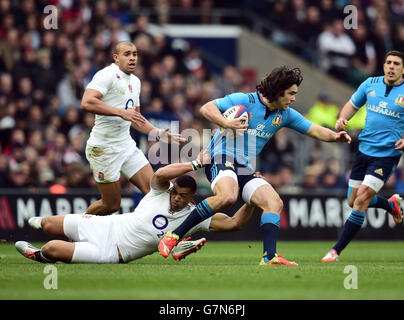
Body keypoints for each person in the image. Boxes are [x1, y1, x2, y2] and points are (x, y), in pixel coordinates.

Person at [159, 66, 352, 266]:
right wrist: (226, 122)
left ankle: (269, 257)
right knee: (227, 196)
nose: (294, 98)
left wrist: (335, 137)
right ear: (278, 90)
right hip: (220, 159)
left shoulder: (285, 114)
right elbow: (206, 108)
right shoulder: (245, 100)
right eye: (291, 93)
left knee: (274, 202)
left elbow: (314, 130)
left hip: (244, 169)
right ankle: (174, 236)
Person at [15, 150, 255, 264]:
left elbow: (235, 223)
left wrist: (251, 197)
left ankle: (40, 257)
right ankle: (43, 229)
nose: (176, 199)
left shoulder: (197, 215)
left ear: (193, 196)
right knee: (47, 223)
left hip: (112, 252)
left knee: (51, 248)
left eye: (182, 196)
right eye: (175, 193)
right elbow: (161, 173)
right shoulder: (160, 190)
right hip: (105, 225)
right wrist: (194, 163)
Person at [80, 41, 183, 215]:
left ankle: (165, 238)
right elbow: (86, 102)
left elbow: (136, 119)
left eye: (134, 54)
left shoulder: (135, 81)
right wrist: (120, 112)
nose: (132, 58)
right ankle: (76, 232)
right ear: (116, 57)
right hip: (103, 148)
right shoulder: (107, 75)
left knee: (156, 192)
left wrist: (157, 133)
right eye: (127, 54)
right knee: (111, 205)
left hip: (125, 144)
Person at [322, 50, 404, 262]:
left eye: (396, 63)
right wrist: (342, 119)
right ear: (384, 65)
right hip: (364, 150)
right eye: (388, 62)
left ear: (403, 68)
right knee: (352, 200)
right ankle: (391, 205)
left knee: (362, 197)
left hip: (387, 155)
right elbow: (352, 105)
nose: (391, 66)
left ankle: (335, 251)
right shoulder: (370, 84)